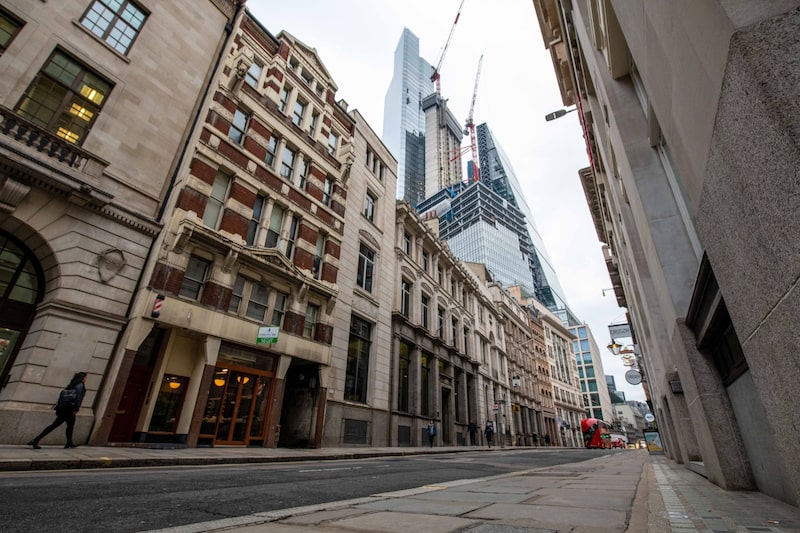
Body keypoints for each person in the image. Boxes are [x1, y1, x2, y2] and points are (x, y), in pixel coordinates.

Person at [28, 372, 87, 449]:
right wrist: (77, 408)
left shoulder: (72, 384)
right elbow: (78, 397)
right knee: (60, 425)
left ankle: (69, 442)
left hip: (64, 407)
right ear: (82, 378)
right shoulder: (80, 385)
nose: (86, 379)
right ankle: (36, 440)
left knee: (68, 425)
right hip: (71, 408)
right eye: (85, 377)